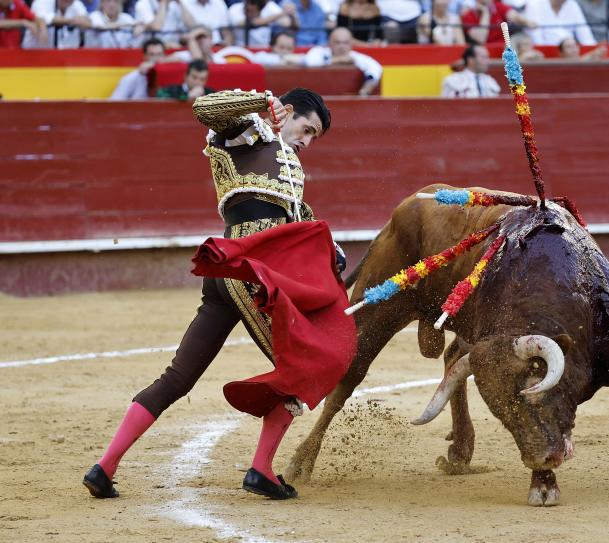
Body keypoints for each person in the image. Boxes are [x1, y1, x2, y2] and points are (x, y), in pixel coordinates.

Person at [83, 87, 349, 501]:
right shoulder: (249, 132)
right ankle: (261, 470)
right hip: (250, 272)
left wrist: (328, 250)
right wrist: (262, 101)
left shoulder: (289, 165)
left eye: (315, 137)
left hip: (230, 271)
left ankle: (104, 467)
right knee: (308, 363)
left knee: (178, 377)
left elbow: (293, 221)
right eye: (307, 129)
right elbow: (205, 107)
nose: (307, 141)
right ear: (289, 111)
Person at [304, 27, 383, 96]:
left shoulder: (355, 57)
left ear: (351, 44)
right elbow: (310, 61)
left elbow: (375, 67)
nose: (342, 47)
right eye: (337, 42)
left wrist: (365, 91)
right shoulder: (319, 51)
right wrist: (338, 60)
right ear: (329, 43)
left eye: (346, 43)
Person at [462, 0, 536, 45]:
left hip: (504, 48)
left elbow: (514, 16)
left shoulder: (498, 6)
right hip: (483, 51)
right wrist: (486, 13)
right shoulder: (468, 15)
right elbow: (481, 39)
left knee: (522, 38)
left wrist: (527, 22)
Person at [524, 0, 597, 46]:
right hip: (546, 56)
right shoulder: (534, 4)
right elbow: (537, 41)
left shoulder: (572, 4)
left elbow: (586, 37)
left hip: (571, 53)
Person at [23, 0, 91, 49]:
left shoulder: (75, 3)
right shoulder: (42, 2)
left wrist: (82, 20)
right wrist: (72, 20)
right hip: (33, 54)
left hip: (58, 55)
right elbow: (42, 19)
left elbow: (88, 21)